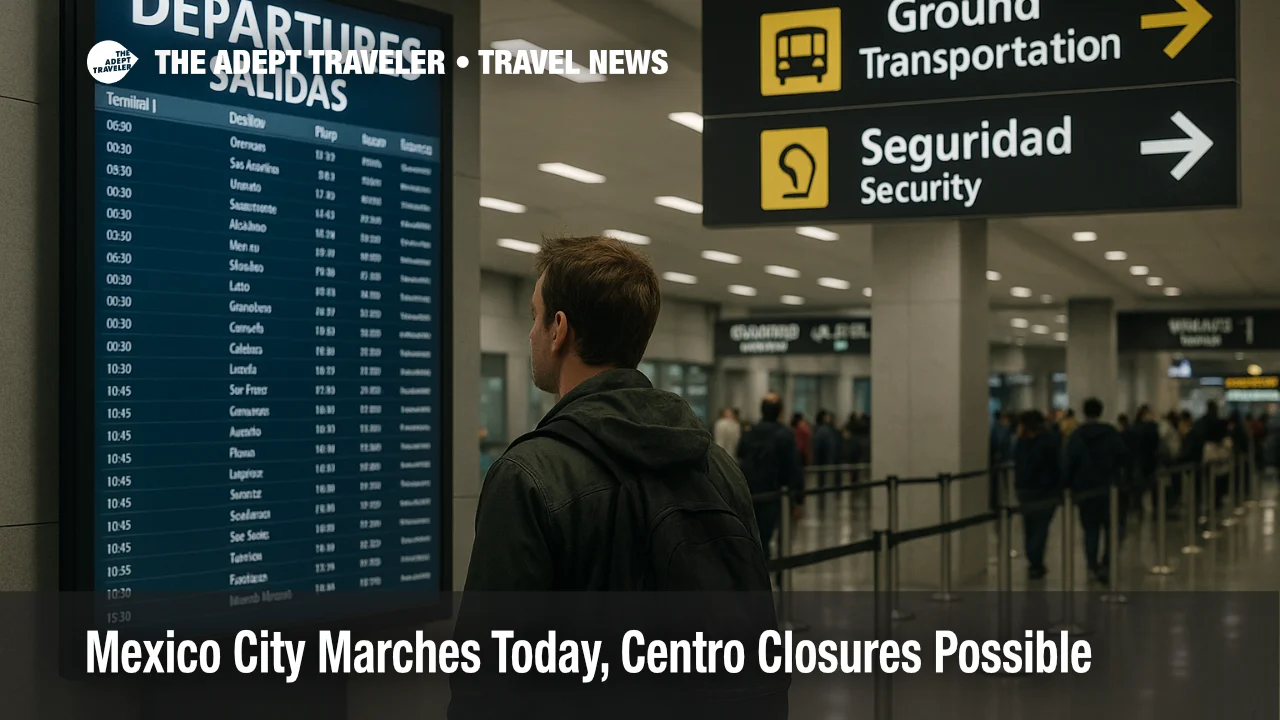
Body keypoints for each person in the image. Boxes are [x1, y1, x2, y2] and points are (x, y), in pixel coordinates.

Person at [461, 236, 769, 591]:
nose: (531, 334)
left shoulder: (528, 476)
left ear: (559, 328)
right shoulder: (717, 466)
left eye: (535, 316)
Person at [1063, 398, 1130, 584]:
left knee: (1090, 530)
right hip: (1110, 489)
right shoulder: (1111, 433)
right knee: (1111, 529)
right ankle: (1107, 563)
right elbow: (1124, 457)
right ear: (1101, 412)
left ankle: (1092, 566)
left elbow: (1069, 463)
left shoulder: (1077, 435)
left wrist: (1066, 486)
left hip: (1085, 491)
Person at [739, 394, 804, 580]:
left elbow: (741, 454)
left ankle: (758, 574)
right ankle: (778, 573)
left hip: (752, 492)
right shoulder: (784, 434)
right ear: (780, 411)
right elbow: (793, 467)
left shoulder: (750, 432)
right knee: (781, 536)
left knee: (758, 537)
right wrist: (797, 497)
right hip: (777, 493)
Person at [1013, 410, 1060, 580]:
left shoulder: (1021, 442)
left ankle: (1034, 560)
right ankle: (1035, 560)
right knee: (1041, 527)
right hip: (1045, 490)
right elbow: (1056, 465)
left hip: (1024, 490)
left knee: (1029, 526)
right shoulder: (1049, 441)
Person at [812, 409, 842, 500]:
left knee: (822, 478)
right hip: (828, 457)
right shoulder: (827, 430)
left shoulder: (822, 430)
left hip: (823, 457)